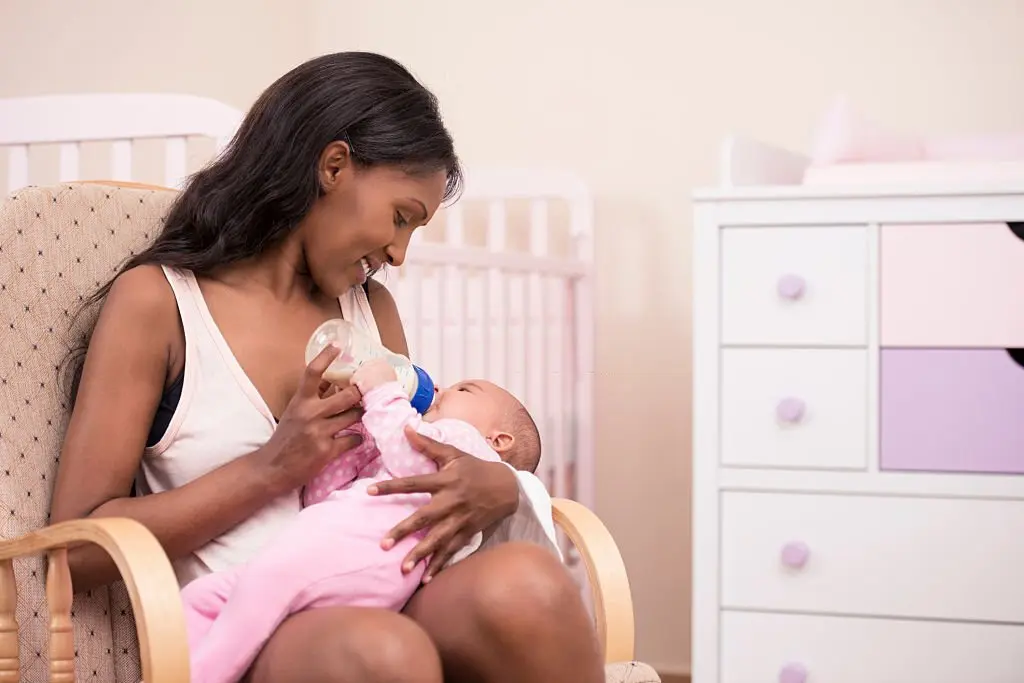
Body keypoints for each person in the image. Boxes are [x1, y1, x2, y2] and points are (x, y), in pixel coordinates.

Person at [48, 51, 604, 683]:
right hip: (245, 623)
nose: (398, 253)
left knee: (529, 583)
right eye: (401, 218)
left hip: (385, 588)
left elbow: (410, 468)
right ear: (333, 166)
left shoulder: (372, 314)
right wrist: (270, 468)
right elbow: (76, 548)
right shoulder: (160, 302)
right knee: (383, 649)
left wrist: (498, 489)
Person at [184, 357, 543, 683]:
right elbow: (322, 494)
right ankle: (169, 661)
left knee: (259, 593)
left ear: (498, 439)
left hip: (362, 559)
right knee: (207, 595)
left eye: (463, 389)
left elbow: (411, 457)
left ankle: (203, 675)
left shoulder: (468, 448)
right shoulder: (409, 444)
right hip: (329, 556)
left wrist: (383, 392)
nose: (439, 389)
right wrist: (362, 436)